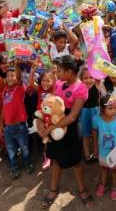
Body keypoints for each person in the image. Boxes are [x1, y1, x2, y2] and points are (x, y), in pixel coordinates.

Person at [37, 55, 94, 209]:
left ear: (69, 71)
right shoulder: (60, 84)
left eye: (60, 71)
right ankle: (54, 189)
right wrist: (42, 121)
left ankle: (82, 189)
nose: (58, 74)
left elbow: (73, 116)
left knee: (76, 162)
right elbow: (50, 105)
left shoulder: (81, 88)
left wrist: (51, 128)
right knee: (55, 159)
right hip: (55, 128)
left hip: (71, 130)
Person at [2, 66, 34, 179]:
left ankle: (28, 163)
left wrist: (17, 63)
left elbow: (20, 78)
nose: (10, 78)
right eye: (8, 76)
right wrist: (2, 123)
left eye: (13, 75)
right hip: (8, 126)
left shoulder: (19, 89)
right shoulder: (4, 90)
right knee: (11, 149)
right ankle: (14, 167)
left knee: (24, 147)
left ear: (17, 78)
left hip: (20, 126)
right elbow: (4, 107)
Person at [93, 93, 116, 200]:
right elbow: (95, 132)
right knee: (103, 168)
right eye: (110, 108)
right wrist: (95, 147)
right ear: (102, 108)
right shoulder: (97, 119)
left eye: (115, 108)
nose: (114, 110)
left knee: (115, 171)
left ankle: (115, 187)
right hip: (102, 151)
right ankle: (102, 185)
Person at [29, 60, 55, 170]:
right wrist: (32, 71)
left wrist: (54, 73)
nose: (45, 83)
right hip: (40, 118)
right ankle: (47, 157)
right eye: (43, 80)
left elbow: (56, 81)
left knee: (52, 137)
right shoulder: (39, 88)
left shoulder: (54, 89)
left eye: (48, 81)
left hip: (52, 117)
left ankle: (53, 155)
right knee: (44, 138)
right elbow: (31, 83)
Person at [79, 66, 100, 163]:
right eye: (85, 78)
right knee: (85, 134)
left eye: (91, 77)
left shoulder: (98, 86)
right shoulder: (80, 88)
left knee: (96, 134)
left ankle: (96, 153)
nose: (88, 80)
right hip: (84, 112)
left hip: (96, 111)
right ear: (81, 79)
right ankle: (87, 154)